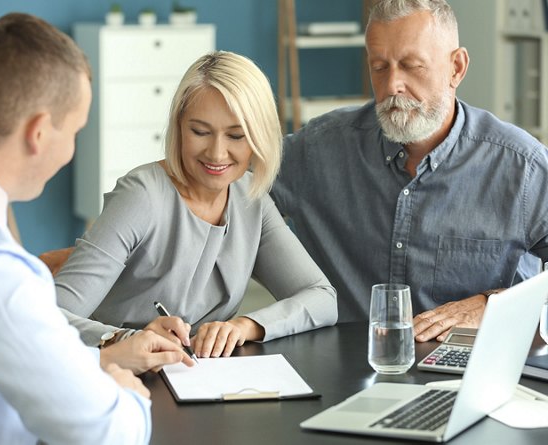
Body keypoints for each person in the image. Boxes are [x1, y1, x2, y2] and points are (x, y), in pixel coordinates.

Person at [0, 13, 193, 445]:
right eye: (76, 131)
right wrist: (126, 396)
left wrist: (92, 361)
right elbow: (107, 433)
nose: (73, 147)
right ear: (38, 133)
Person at [270, 0, 548, 343]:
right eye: (379, 67)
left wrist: (491, 304)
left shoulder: (522, 167)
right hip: (345, 375)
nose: (392, 86)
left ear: (456, 68)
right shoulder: (317, 150)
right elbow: (222, 192)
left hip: (467, 376)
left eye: (411, 66)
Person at [53, 51, 338, 359]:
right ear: (179, 127)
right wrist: (123, 339)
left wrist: (245, 325)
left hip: (195, 380)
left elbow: (322, 298)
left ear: (259, 137)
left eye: (236, 135)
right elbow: (49, 316)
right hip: (114, 376)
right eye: (200, 132)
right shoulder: (141, 196)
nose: (217, 153)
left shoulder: (250, 200)